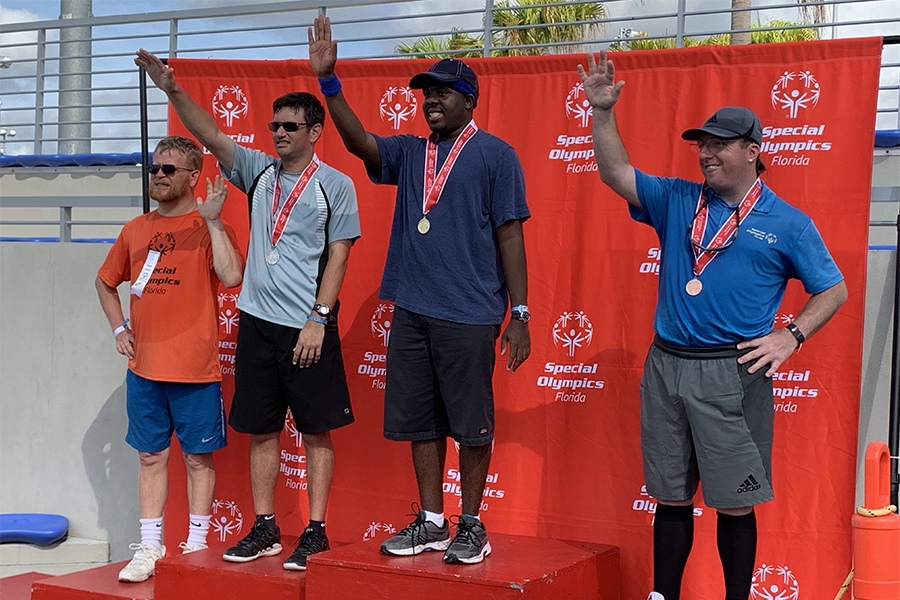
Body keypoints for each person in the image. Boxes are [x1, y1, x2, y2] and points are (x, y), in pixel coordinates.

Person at [577, 51, 848, 600]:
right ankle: (664, 595)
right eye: (702, 144)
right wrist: (602, 112)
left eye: (720, 144)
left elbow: (834, 288)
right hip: (667, 366)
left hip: (733, 373)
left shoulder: (788, 223)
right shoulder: (678, 199)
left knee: (735, 502)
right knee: (670, 495)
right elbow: (615, 173)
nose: (706, 153)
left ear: (753, 151)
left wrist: (791, 335)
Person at [308, 17, 531, 566]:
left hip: (470, 312)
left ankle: (472, 524)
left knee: (471, 424)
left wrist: (521, 312)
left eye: (442, 92)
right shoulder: (411, 152)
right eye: (426, 92)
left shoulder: (496, 155)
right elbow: (359, 142)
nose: (430, 100)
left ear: (469, 101)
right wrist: (329, 81)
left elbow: (510, 234)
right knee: (421, 421)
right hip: (411, 308)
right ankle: (432, 522)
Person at [134, 49, 360, 571]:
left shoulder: (335, 185)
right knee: (262, 430)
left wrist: (319, 318)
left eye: (289, 126)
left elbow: (339, 255)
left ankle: (316, 530)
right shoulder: (259, 172)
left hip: (307, 326)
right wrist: (171, 89)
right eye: (274, 125)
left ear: (314, 132)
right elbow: (211, 134)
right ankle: (265, 526)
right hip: (258, 324)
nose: (278, 133)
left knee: (316, 430)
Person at [96, 135, 244, 582]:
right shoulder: (135, 229)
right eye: (155, 168)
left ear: (193, 176)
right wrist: (119, 329)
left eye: (169, 169)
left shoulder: (209, 226)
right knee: (150, 458)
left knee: (197, 460)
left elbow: (232, 276)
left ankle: (196, 545)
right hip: (144, 370)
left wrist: (213, 222)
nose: (158, 175)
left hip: (195, 370)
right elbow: (105, 282)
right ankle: (150, 545)